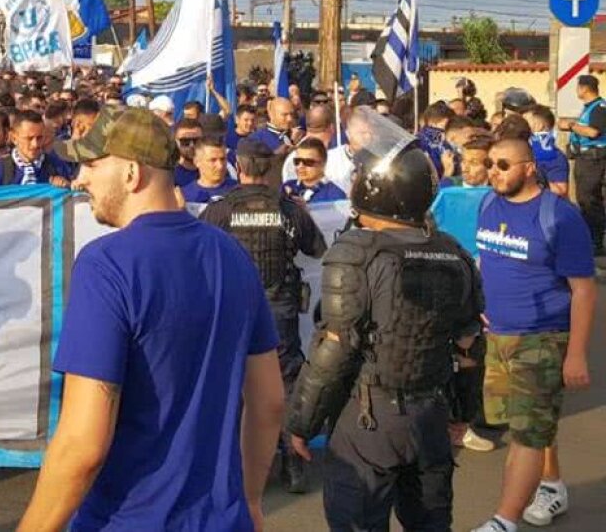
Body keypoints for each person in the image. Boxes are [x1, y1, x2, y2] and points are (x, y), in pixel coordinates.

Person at [17, 108, 284, 531]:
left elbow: (82, 445)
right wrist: (250, 500)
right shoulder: (231, 256)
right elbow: (269, 402)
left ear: (130, 173)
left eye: (91, 164)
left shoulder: (106, 265)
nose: (80, 178)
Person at [286, 114, 483, 531]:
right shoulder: (454, 254)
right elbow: (469, 345)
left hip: (369, 419)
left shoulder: (355, 251)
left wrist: (300, 422)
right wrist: (464, 412)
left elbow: (335, 345)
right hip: (431, 412)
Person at [470, 137, 596, 532]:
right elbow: (486, 261)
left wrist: (575, 354)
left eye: (503, 164)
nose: (493, 170)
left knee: (526, 434)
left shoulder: (560, 216)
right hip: (498, 338)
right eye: (490, 162)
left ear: (528, 168)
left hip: (541, 339)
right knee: (530, 423)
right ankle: (552, 484)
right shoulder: (488, 205)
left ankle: (503, 522)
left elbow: (584, 290)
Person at [202, 138, 327, 493]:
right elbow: (317, 249)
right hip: (279, 307)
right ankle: (292, 462)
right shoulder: (289, 210)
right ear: (269, 168)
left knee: (234, 383)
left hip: (234, 308)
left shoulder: (220, 210)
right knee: (285, 382)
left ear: (238, 168)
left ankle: (236, 468)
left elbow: (201, 258)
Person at [558, 74, 606, 255]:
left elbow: (593, 132)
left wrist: (571, 125)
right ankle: (591, 239)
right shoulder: (589, 108)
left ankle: (596, 242)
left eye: (578, 87)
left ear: (585, 88)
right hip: (585, 159)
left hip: (593, 160)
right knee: (586, 199)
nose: (577, 90)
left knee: (589, 200)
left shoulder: (599, 108)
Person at [0, 110, 71, 188]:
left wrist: (66, 186)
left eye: (39, 138)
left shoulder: (57, 166)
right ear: (14, 138)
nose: (35, 144)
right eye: (29, 138)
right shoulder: (0, 170)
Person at [281, 137, 346, 204]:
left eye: (308, 162)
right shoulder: (287, 187)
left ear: (323, 163)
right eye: (297, 161)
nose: (300, 166)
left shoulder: (335, 194)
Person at [179, 135, 237, 205]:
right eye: (213, 160)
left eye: (223, 159)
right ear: (197, 162)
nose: (220, 166)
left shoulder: (240, 191)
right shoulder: (185, 197)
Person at [170, 118, 205, 188]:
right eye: (185, 141)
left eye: (196, 140)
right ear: (175, 142)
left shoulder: (219, 168)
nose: (191, 145)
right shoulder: (169, 176)